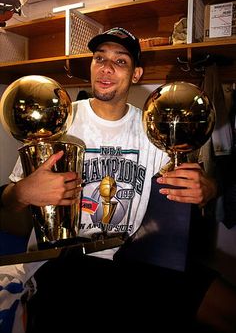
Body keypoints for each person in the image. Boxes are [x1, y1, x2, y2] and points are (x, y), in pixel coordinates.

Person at [0, 27, 231, 333]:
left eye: (120, 61)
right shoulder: (57, 121)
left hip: (137, 256)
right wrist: (21, 193)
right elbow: (8, 217)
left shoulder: (154, 126)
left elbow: (189, 188)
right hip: (64, 260)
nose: (106, 67)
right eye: (99, 58)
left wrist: (207, 188)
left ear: (136, 74)